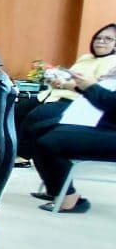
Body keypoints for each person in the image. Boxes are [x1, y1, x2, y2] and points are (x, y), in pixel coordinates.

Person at [14, 23, 116, 167]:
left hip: (75, 100)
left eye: (108, 39)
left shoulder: (112, 62)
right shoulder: (86, 58)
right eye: (98, 38)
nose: (101, 42)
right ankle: (10, 149)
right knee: (17, 109)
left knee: (37, 116)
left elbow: (96, 88)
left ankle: (23, 156)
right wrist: (55, 75)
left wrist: (64, 83)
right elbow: (70, 75)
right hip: (52, 94)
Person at [29, 71, 116, 213]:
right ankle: (58, 189)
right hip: (104, 124)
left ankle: (69, 198)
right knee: (38, 129)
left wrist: (91, 87)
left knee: (50, 142)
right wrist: (81, 86)